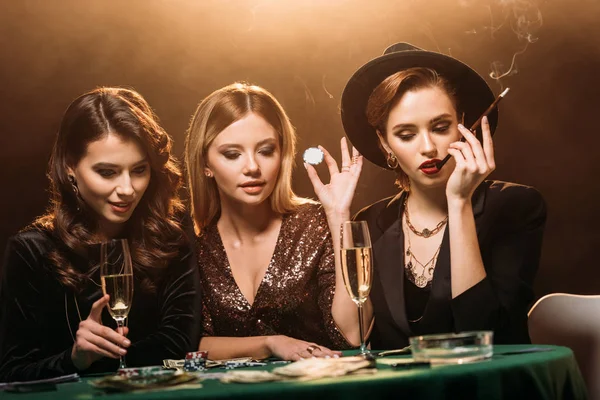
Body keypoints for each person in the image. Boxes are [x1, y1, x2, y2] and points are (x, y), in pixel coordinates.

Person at [337, 43, 546, 349]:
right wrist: (339, 217)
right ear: (384, 143)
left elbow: (485, 336)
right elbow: (352, 335)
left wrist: (459, 202)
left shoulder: (516, 206)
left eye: (440, 127)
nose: (428, 148)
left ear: (462, 125)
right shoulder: (370, 221)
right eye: (406, 135)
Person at [0, 87, 202, 382]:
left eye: (139, 170)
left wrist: (101, 363)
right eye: (107, 172)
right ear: (70, 167)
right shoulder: (32, 251)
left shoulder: (169, 232)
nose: (127, 189)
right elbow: (11, 373)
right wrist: (74, 358)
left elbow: (179, 343)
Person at [184, 83, 369, 361]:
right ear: (204, 164)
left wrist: (339, 217)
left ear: (282, 155)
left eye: (266, 150)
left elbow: (354, 334)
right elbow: (190, 344)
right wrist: (271, 344)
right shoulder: (194, 244)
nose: (252, 167)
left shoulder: (317, 224)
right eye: (232, 154)